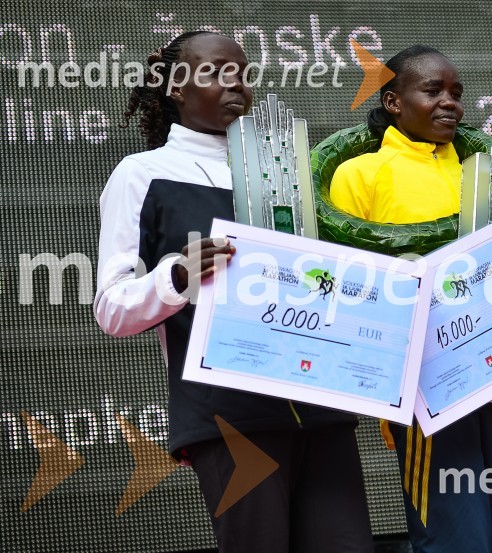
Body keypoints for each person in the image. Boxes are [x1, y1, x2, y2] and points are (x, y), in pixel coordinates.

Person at [94, 31, 373, 553]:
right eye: (216, 72)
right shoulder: (142, 175)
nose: (236, 85)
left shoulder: (286, 174)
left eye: (242, 73)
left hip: (321, 403)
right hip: (229, 417)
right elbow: (111, 308)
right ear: (176, 85)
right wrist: (176, 273)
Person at [329, 45, 492, 553]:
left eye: (456, 92)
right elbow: (347, 285)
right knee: (458, 540)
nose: (449, 102)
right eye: (432, 90)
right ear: (392, 101)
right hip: (429, 391)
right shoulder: (360, 175)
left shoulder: (490, 174)